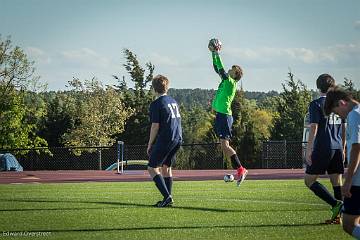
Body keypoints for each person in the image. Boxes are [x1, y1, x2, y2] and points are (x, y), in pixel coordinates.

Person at [304, 74, 345, 223]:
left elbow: (314, 127)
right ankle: (339, 217)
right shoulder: (339, 104)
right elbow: (344, 127)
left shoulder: (316, 104)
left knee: (309, 181)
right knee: (337, 181)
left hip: (323, 147)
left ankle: (335, 204)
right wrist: (344, 147)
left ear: (318, 87)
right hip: (338, 146)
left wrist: (309, 149)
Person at [209, 39, 247, 186]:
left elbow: (221, 69)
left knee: (225, 146)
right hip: (222, 115)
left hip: (225, 116)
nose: (229, 70)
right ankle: (240, 169)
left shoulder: (231, 82)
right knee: (224, 146)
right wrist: (213, 55)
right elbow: (217, 68)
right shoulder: (226, 81)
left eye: (232, 69)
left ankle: (241, 169)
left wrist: (216, 52)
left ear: (235, 73)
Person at [324, 87, 360, 239]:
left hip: (358, 181)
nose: (340, 116)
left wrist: (349, 179)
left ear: (342, 103)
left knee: (348, 224)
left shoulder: (354, 115)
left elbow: (357, 148)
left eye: (337, 112)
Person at [147, 74, 182, 208]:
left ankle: (167, 197)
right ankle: (168, 198)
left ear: (154, 89)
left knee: (152, 167)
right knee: (166, 167)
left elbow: (155, 126)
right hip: (177, 137)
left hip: (167, 138)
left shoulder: (156, 103)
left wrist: (150, 143)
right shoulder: (173, 100)